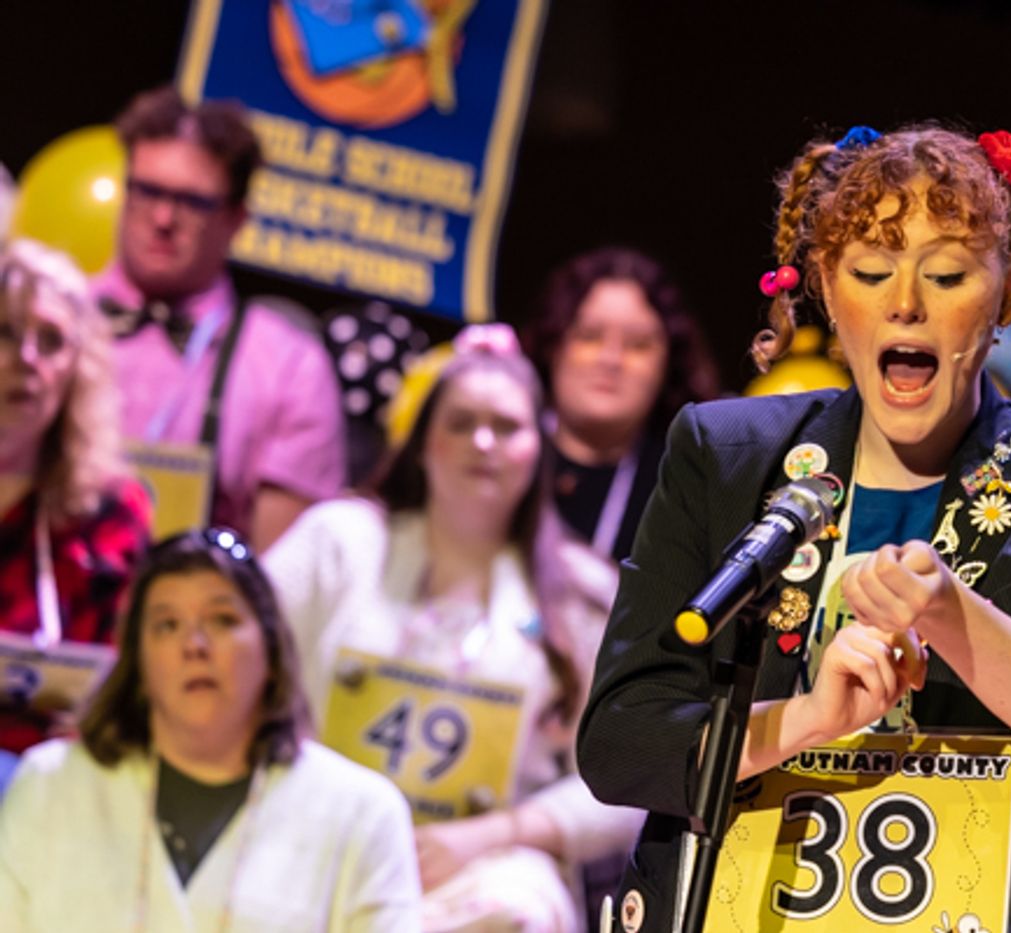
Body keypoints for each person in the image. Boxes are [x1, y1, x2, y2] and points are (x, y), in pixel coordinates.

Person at [576, 123, 1011, 930]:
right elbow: (620, 741)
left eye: (949, 273)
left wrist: (947, 612)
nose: (906, 302)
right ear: (823, 282)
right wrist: (808, 718)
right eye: (870, 270)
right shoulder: (726, 454)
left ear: (1002, 296)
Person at [264, 323, 643, 932]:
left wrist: (484, 836)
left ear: (537, 449)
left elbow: (625, 783)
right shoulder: (336, 543)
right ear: (423, 443)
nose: (483, 442)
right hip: (314, 839)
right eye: (461, 423)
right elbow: (238, 668)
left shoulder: (583, 594)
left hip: (477, 870)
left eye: (507, 426)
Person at [0, 527, 421, 931]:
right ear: (139, 662)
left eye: (221, 620)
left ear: (271, 651)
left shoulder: (364, 814)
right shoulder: (50, 784)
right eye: (167, 625)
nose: (194, 646)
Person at [92, 85, 345, 552]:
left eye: (192, 201)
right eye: (147, 191)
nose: (163, 218)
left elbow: (275, 584)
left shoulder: (290, 368)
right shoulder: (45, 325)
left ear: (236, 218)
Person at [0, 238, 149, 784]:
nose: (28, 361)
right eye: (7, 334)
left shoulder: (112, 511)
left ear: (78, 367)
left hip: (45, 778)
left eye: (52, 341)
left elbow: (127, 678)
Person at [522, 247, 719, 564]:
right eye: (589, 336)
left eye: (638, 345)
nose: (611, 359)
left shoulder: (687, 493)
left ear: (669, 365)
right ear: (553, 345)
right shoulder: (501, 455)